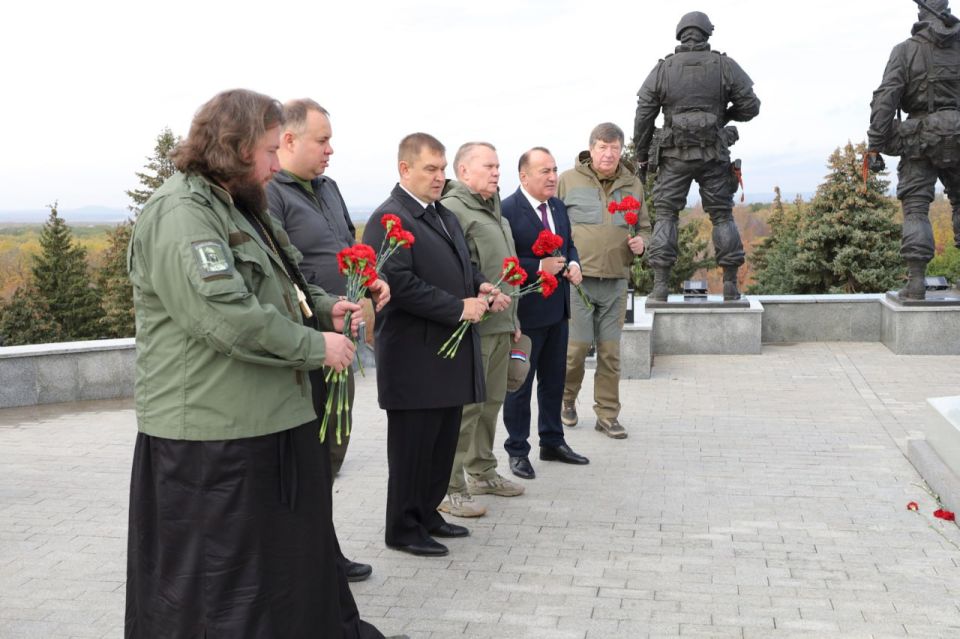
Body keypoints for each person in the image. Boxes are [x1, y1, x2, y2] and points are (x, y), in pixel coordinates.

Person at [125, 89, 391, 638]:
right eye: (270, 151)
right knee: (221, 589)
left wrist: (325, 308)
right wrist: (315, 347)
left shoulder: (239, 205)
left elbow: (286, 284)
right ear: (236, 146)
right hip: (211, 441)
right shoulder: (183, 213)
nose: (275, 164)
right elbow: (224, 316)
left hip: (266, 422)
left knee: (278, 572)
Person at [362, 133, 509, 557]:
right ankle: (402, 528)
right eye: (430, 169)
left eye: (443, 169)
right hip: (414, 357)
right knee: (413, 448)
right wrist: (457, 308)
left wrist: (480, 285)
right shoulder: (389, 219)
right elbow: (400, 284)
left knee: (441, 444)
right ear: (404, 169)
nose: (440, 176)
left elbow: (463, 265)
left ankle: (427, 514)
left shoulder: (441, 214)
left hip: (446, 356)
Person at [266, 98, 385, 583]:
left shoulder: (328, 188)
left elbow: (347, 248)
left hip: (342, 338)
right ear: (288, 139)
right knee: (307, 458)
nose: (330, 150)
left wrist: (370, 279)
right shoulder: (271, 193)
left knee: (333, 448)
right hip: (306, 344)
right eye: (322, 140)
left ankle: (322, 550)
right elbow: (284, 271)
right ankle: (305, 559)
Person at [633, 10, 761, 301]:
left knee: (666, 215)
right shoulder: (724, 65)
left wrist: (641, 156)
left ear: (681, 34)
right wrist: (724, 116)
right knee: (722, 215)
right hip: (713, 154)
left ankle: (660, 287)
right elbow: (751, 106)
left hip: (674, 157)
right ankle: (730, 285)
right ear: (706, 33)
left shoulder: (663, 69)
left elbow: (643, 114)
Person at [437, 142, 525, 518]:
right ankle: (449, 487)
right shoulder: (453, 210)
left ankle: (482, 472)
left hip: (502, 324)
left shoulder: (494, 209)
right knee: (467, 409)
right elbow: (455, 270)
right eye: (488, 166)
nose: (496, 172)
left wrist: (514, 319)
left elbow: (505, 267)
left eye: (497, 166)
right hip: (474, 327)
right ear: (463, 171)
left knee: (491, 404)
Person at [502, 147, 590, 480]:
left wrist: (574, 264)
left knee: (554, 382)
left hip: (557, 311)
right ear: (524, 176)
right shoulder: (507, 210)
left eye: (554, 170)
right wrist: (538, 266)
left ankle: (552, 441)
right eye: (545, 171)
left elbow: (568, 246)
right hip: (524, 316)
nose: (553, 177)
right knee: (520, 386)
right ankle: (517, 450)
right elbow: (503, 262)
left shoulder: (558, 206)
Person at [558, 123, 650, 439]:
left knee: (610, 353)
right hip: (577, 282)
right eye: (602, 147)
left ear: (620, 150)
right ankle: (566, 400)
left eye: (614, 148)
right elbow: (553, 224)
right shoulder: (568, 181)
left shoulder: (633, 184)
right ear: (591, 149)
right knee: (576, 350)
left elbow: (645, 227)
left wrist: (642, 243)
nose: (608, 154)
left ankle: (608, 415)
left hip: (615, 282)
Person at [868, 0, 960, 300]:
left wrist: (875, 145)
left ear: (922, 12)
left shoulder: (905, 51)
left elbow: (886, 99)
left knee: (916, 207)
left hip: (920, 140)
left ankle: (917, 282)